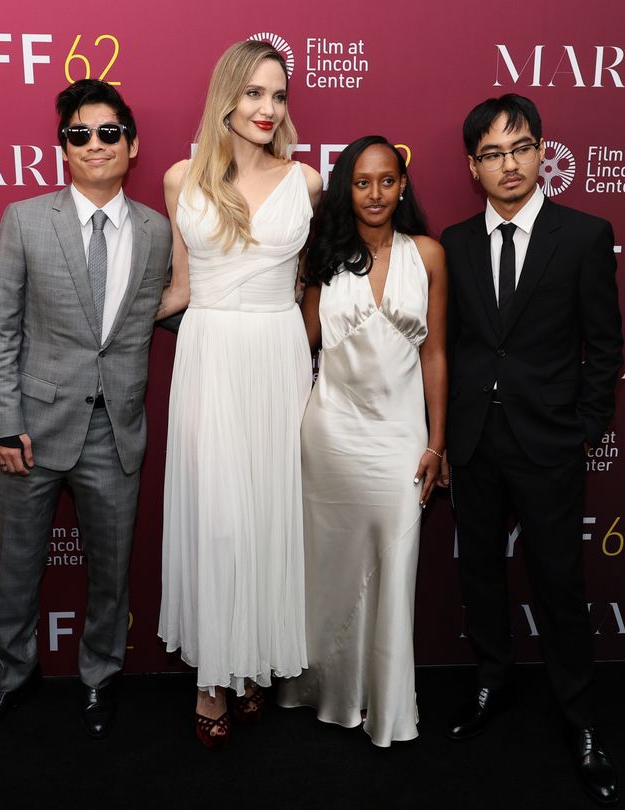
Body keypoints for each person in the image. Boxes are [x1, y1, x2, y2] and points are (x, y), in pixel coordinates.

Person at [0, 80, 172, 740]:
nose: (94, 145)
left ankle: (99, 679)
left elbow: (164, 313)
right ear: (62, 148)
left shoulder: (158, 232)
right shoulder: (25, 219)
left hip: (116, 431)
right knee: (18, 568)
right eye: (79, 135)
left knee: (111, 576)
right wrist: (4, 422)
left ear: (132, 145)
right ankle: (12, 679)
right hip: (30, 429)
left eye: (108, 132)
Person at [440, 94, 623, 805]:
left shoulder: (583, 235)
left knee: (560, 584)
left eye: (519, 148)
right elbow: (450, 345)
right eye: (491, 153)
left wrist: (585, 428)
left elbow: (604, 347)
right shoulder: (453, 244)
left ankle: (580, 720)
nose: (507, 163)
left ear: (543, 150)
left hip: (550, 442)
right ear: (472, 167)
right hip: (475, 442)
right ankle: (491, 683)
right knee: (480, 574)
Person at [156, 39, 323, 749]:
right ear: (226, 96)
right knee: (218, 516)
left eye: (278, 95)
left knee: (267, 512)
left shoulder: (309, 181)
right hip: (211, 351)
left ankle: (252, 663)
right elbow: (181, 289)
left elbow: (305, 286)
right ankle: (211, 676)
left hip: (279, 354)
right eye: (254, 93)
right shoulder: (178, 180)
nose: (267, 108)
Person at [277, 137, 447, 747]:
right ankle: (317, 687)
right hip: (331, 437)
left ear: (403, 186)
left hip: (402, 438)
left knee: (396, 568)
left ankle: (387, 704)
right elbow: (303, 348)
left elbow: (436, 354)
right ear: (346, 188)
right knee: (327, 569)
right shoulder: (326, 259)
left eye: (387, 181)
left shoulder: (427, 254)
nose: (375, 194)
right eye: (362, 182)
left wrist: (437, 443)